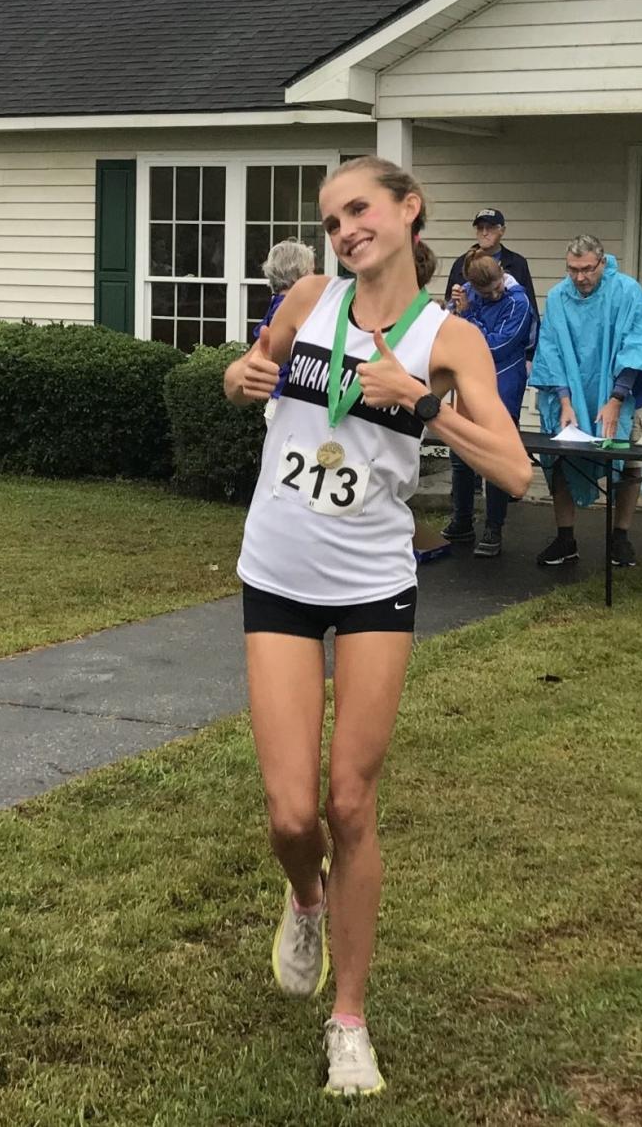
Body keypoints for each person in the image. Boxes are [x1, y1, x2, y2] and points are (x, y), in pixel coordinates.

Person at [223, 156, 532, 1097]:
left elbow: (517, 472)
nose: (345, 228)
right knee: (292, 815)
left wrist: (422, 404)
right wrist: (241, 376)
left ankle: (348, 1021)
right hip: (276, 573)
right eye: (332, 218)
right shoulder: (310, 297)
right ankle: (306, 898)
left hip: (370, 589)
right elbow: (260, 373)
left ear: (409, 209)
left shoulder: (450, 340)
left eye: (360, 209)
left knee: (351, 804)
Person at [528, 234, 642, 569]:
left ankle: (620, 537)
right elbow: (550, 350)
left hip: (624, 392)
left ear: (602, 264)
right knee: (561, 459)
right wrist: (564, 401)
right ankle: (565, 538)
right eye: (573, 270)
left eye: (588, 269)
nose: (580, 277)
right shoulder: (560, 296)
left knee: (629, 459)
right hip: (574, 395)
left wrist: (618, 397)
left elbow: (640, 342)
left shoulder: (626, 291)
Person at [442, 251, 538, 558]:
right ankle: (462, 520)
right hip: (468, 385)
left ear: (502, 273)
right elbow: (448, 332)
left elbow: (495, 346)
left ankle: (493, 527)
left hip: (503, 385)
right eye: (487, 292)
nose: (494, 294)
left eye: (497, 286)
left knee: (494, 457)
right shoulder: (467, 294)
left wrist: (468, 315)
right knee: (461, 454)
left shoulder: (518, 302)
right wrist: (452, 309)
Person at [252, 238, 316, 416]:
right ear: (298, 272)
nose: (314, 275)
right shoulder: (292, 309)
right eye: (310, 270)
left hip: (279, 403)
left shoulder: (277, 303)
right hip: (289, 406)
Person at [445, 207, 538, 315]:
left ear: (502, 231)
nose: (484, 233)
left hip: (507, 326)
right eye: (480, 228)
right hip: (469, 325)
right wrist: (454, 300)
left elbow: (530, 307)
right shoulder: (461, 264)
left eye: (490, 227)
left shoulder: (517, 263)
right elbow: (448, 307)